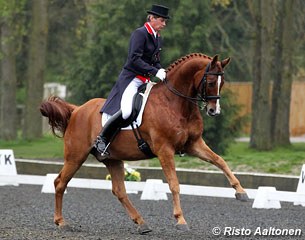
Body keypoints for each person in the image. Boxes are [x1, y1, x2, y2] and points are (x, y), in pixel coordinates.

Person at [93, 4, 170, 158]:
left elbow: (154, 61)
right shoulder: (140, 34)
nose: (164, 24)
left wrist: (162, 71)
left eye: (164, 21)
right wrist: (155, 71)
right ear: (152, 18)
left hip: (145, 80)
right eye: (162, 20)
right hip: (132, 79)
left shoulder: (157, 37)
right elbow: (134, 59)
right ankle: (102, 138)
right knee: (127, 111)